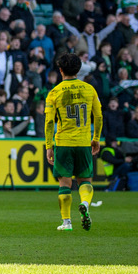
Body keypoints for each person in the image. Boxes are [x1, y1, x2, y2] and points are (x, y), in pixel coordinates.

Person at [46, 52, 102, 232]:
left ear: (60, 70)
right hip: (84, 142)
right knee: (85, 180)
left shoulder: (54, 93)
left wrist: (49, 146)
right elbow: (99, 116)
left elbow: (49, 122)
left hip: (63, 143)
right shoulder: (89, 89)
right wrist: (96, 139)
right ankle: (85, 203)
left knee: (65, 184)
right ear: (78, 70)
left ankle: (66, 223)